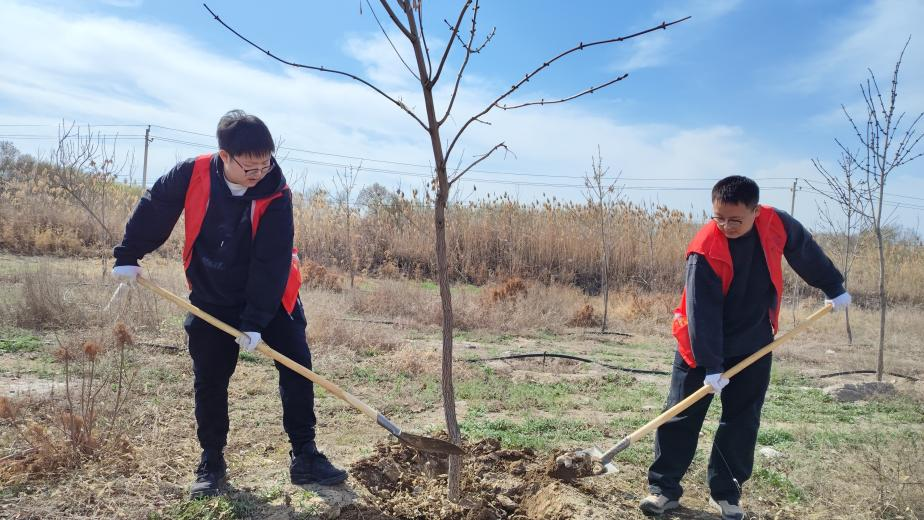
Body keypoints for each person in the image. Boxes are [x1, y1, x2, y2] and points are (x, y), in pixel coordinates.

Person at [111, 110, 347, 498]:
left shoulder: (277, 193)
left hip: (273, 294)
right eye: (249, 167)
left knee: (297, 368)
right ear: (225, 157)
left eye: (265, 163)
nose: (259, 173)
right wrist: (129, 253)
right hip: (212, 294)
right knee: (210, 377)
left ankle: (305, 454)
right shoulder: (192, 173)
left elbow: (271, 262)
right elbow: (156, 209)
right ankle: (212, 461)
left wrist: (255, 321)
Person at [639, 176, 851, 519]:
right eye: (718, 217)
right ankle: (664, 490)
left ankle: (726, 492)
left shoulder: (776, 222)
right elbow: (701, 312)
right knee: (681, 413)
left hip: (753, 342)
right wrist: (710, 366)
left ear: (755, 211)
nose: (725, 226)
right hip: (700, 343)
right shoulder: (705, 248)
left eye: (735, 219)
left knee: (742, 419)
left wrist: (832, 285)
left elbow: (804, 251)